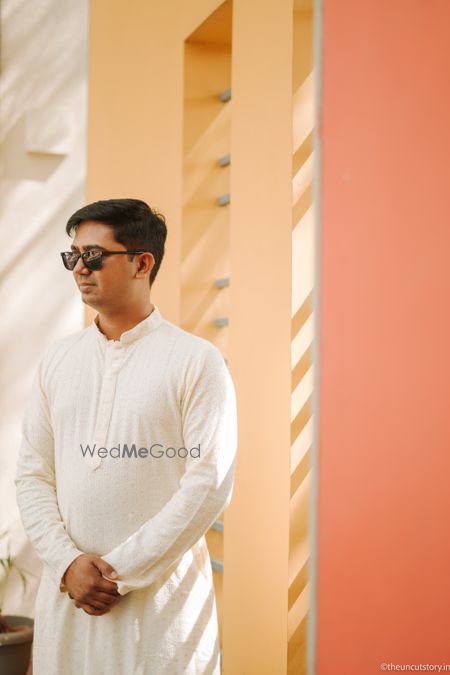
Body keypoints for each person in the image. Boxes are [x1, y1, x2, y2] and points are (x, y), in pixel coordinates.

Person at [15, 198, 238, 675]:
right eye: (73, 256)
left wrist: (119, 573)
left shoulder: (195, 361)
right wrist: (69, 564)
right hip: (70, 601)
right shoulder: (58, 360)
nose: (79, 268)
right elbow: (33, 474)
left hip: (159, 610)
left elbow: (209, 481)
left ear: (142, 263)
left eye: (94, 256)